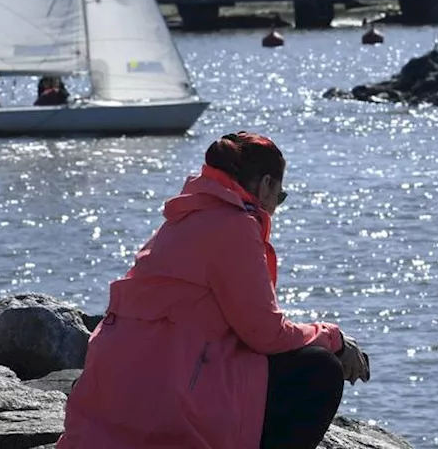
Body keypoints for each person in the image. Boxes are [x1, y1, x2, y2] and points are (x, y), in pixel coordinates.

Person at [57, 131, 371, 449]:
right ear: (265, 186)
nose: (276, 205)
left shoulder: (183, 218)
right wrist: (336, 339)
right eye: (280, 195)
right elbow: (266, 334)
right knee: (321, 369)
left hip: (115, 396)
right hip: (168, 404)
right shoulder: (234, 226)